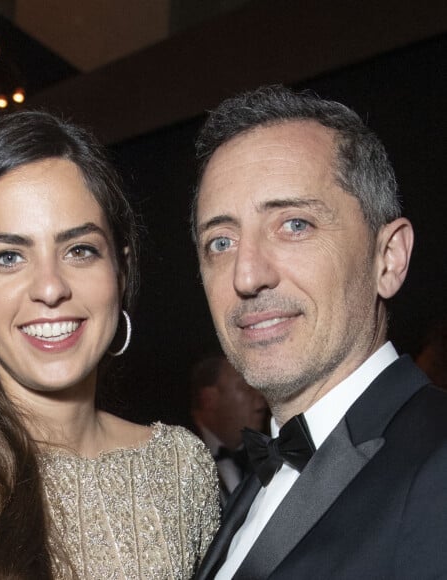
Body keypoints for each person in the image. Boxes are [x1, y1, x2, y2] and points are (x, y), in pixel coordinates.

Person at [0, 110, 219, 579]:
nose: (50, 288)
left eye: (80, 250)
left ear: (121, 271)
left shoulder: (182, 470)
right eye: (9, 257)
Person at [191, 85, 447, 579]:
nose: (246, 275)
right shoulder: (251, 489)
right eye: (220, 241)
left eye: (294, 225)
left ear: (388, 258)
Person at [190, 354, 268, 503]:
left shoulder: (265, 453)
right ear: (209, 398)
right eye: (247, 387)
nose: (260, 395)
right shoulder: (175, 456)